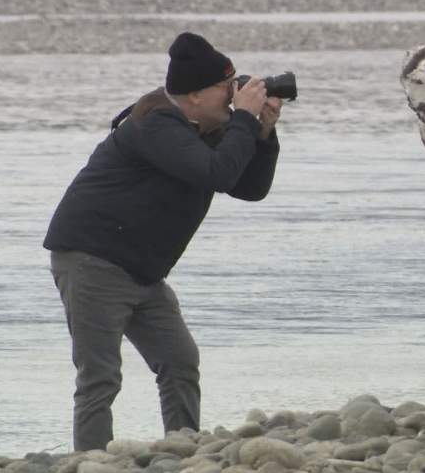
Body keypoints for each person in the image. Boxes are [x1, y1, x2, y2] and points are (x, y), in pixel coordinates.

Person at [43, 31, 281, 451]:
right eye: (225, 90)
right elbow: (217, 174)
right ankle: (91, 467)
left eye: (234, 88)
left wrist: (261, 133)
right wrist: (243, 120)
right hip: (92, 260)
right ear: (192, 95)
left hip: (141, 270)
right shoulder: (157, 124)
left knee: (180, 361)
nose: (233, 96)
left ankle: (183, 451)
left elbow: (248, 188)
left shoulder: (203, 125)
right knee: (100, 375)